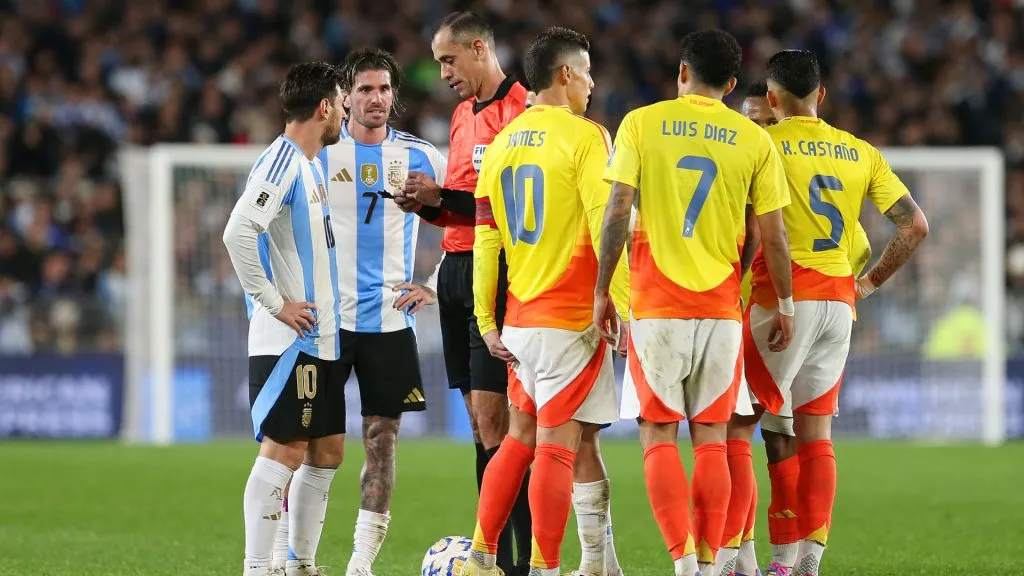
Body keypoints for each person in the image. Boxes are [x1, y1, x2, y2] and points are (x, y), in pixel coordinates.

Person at [400, 13, 625, 576]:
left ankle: (482, 554)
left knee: (518, 439)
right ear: (568, 75)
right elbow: (607, 223)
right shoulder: (589, 135)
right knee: (555, 445)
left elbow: (486, 238)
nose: (593, 84)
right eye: (589, 73)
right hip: (570, 314)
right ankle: (546, 566)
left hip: (517, 316)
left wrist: (486, 319)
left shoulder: (502, 146)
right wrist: (618, 301)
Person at [596, 29, 795, 576]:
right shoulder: (754, 140)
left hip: (657, 305)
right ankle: (711, 565)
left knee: (658, 435)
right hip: (721, 310)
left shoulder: (640, 123)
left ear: (681, 72)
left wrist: (600, 293)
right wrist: (786, 306)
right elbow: (771, 237)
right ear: (732, 84)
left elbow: (616, 213)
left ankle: (682, 562)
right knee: (712, 440)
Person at [742, 49, 928, 576]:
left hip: (779, 303)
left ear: (771, 99)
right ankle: (807, 561)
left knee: (736, 428)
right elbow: (914, 226)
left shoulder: (763, 143)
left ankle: (743, 560)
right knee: (815, 435)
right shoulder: (859, 151)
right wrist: (866, 284)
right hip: (837, 305)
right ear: (821, 95)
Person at [719, 82, 874, 576]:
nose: (757, 131)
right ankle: (790, 562)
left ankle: (737, 560)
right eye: (748, 123)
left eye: (764, 122)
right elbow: (859, 245)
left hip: (775, 313)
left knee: (736, 427)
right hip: (820, 308)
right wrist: (856, 290)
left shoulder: (763, 179)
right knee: (784, 434)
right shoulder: (752, 176)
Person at [396, 13, 532, 574]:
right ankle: (491, 551)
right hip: (456, 270)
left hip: (495, 274)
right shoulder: (459, 115)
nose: (444, 72)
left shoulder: (522, 111)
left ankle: (519, 560)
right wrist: (427, 203)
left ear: (480, 48)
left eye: (449, 60)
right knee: (481, 423)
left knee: (500, 423)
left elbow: (503, 209)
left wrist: (441, 196)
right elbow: (462, 207)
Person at [325, 47, 446, 576]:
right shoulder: (320, 154)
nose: (376, 98)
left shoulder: (422, 156)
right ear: (345, 97)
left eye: (384, 89)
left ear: (394, 95)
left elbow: (470, 220)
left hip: (391, 321)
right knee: (313, 444)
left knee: (382, 440)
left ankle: (360, 563)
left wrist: (435, 284)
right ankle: (289, 554)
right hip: (326, 322)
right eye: (365, 89)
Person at [221, 61, 346, 576]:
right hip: (289, 340)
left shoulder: (311, 165)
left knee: (327, 451)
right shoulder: (281, 163)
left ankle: (298, 564)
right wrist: (276, 304)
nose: (343, 113)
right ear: (324, 107)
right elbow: (237, 232)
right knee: (284, 450)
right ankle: (258, 568)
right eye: (340, 103)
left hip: (320, 339)